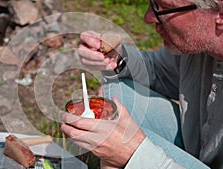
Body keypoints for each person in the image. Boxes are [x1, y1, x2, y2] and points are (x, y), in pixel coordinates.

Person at [61, 0, 223, 168]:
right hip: (197, 149)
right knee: (119, 92)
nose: (148, 17)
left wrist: (134, 155)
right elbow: (160, 72)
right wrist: (117, 59)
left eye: (165, 8)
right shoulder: (199, 47)